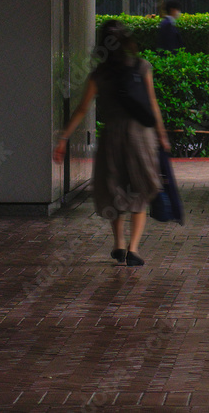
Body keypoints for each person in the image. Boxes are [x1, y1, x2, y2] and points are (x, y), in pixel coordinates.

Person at [53, 19, 170, 267]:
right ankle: (134, 249)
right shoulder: (142, 67)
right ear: (126, 40)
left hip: (112, 137)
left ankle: (118, 243)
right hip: (140, 136)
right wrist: (161, 134)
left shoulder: (99, 75)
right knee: (139, 188)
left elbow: (82, 109)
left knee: (114, 187)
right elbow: (152, 103)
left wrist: (63, 139)